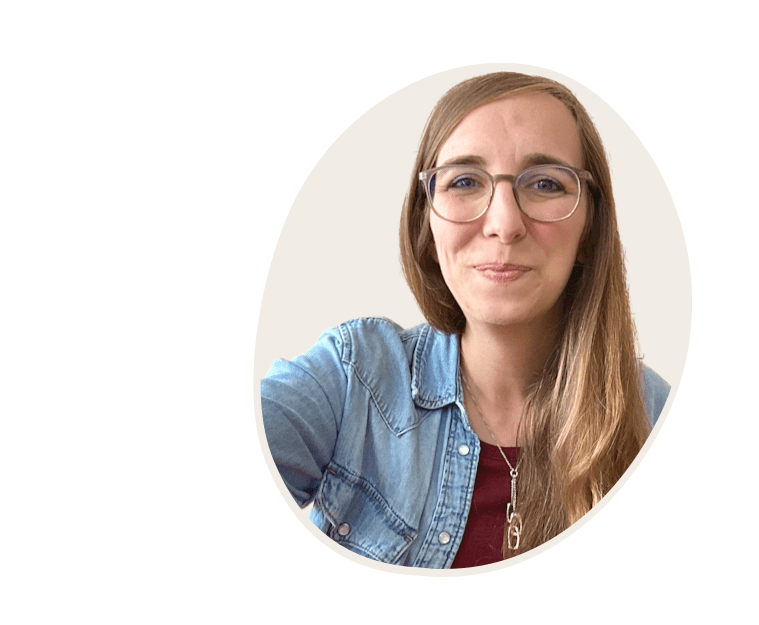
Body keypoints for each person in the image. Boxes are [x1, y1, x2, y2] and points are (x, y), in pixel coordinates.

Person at [260, 72, 668, 569]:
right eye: (465, 182)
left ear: (590, 228)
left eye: (545, 184)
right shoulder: (352, 378)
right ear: (426, 223)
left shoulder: (654, 417)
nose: (505, 224)